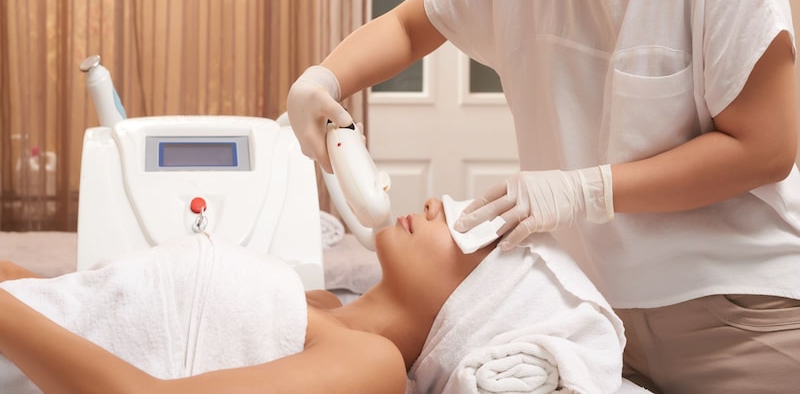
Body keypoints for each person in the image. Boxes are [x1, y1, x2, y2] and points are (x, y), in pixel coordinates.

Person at [286, 0, 800, 392]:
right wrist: (325, 78)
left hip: (734, 305)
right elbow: (408, 26)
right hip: (590, 315)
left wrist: (587, 190)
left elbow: (765, 147)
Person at [0, 196, 627, 394]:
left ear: (477, 305)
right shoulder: (322, 306)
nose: (442, 204)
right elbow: (85, 303)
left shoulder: (370, 364)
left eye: (474, 231)